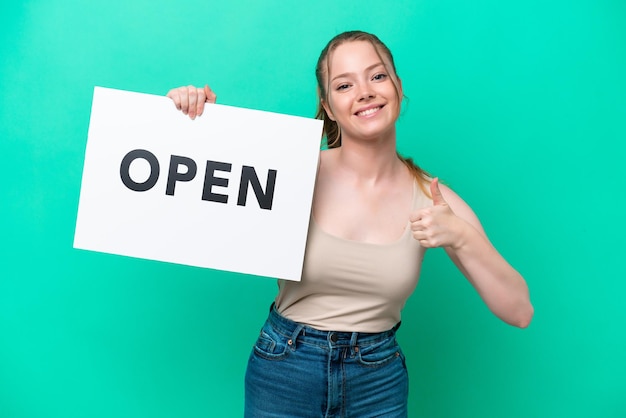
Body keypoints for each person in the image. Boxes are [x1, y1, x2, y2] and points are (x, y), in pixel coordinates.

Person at [167, 30, 533, 418]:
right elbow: (193, 193)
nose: (365, 91)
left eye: (377, 76)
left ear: (397, 86)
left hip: (378, 380)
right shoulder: (291, 170)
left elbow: (519, 311)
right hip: (283, 369)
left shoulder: (433, 198)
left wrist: (461, 237)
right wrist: (191, 121)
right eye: (345, 84)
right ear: (327, 105)